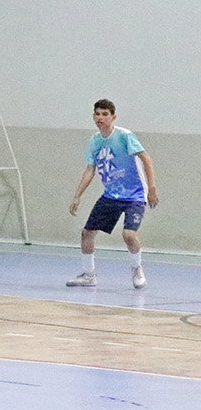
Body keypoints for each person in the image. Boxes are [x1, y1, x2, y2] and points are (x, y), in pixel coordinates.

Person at [67, 99, 158, 289]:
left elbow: (146, 159)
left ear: (113, 117)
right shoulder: (95, 141)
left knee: (129, 235)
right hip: (111, 195)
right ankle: (89, 275)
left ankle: (137, 269)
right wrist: (77, 196)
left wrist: (152, 189)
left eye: (104, 114)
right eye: (97, 114)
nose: (100, 118)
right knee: (87, 233)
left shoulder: (125, 136)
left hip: (134, 195)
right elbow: (90, 170)